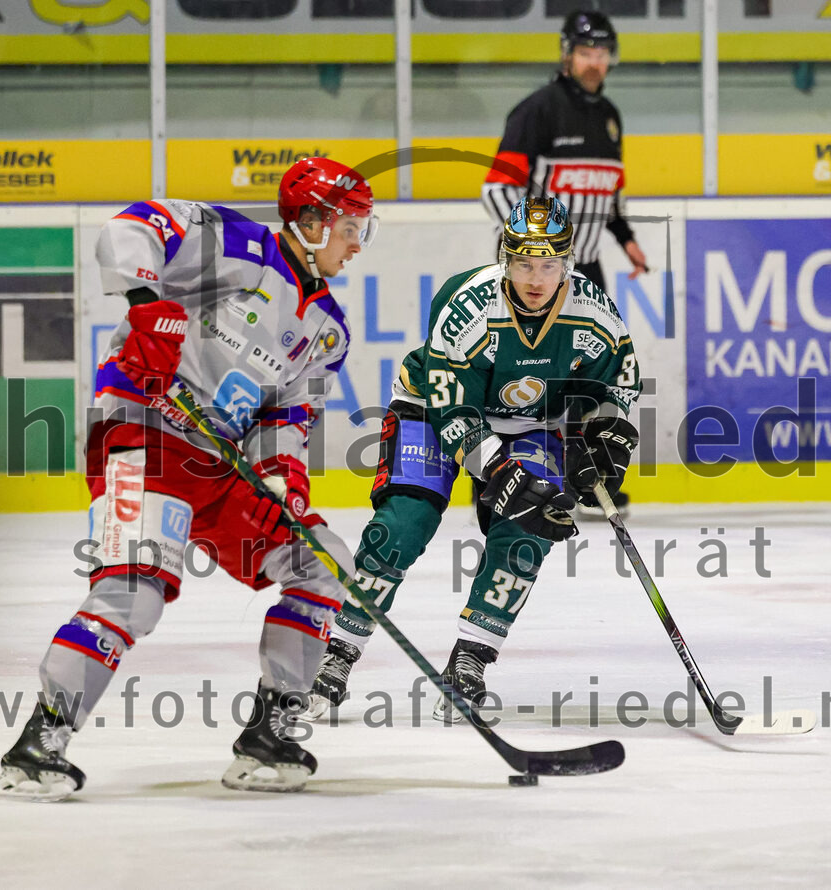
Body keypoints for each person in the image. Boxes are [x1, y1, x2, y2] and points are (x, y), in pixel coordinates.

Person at [0, 157, 377, 799]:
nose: (357, 243)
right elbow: (131, 227)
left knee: (322, 561)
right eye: (348, 226)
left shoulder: (328, 330)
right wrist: (146, 303)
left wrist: (285, 482)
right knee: (135, 589)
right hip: (147, 432)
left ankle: (270, 735)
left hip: (218, 466)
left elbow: (289, 415)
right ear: (309, 222)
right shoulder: (237, 246)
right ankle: (38, 743)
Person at [306, 196, 640, 723]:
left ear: (567, 263)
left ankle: (470, 661)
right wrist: (499, 471)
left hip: (530, 422)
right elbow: (452, 407)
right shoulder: (468, 303)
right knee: (401, 526)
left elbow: (618, 380)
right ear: (506, 258)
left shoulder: (594, 311)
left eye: (549, 264)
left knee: (531, 526)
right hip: (430, 412)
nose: (536, 277)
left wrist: (607, 439)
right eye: (525, 263)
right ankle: (335, 656)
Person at [481, 9, 646, 514]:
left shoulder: (609, 114)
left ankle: (589, 478)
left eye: (602, 53)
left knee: (592, 374)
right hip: (536, 270)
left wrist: (626, 237)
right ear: (566, 54)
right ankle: (495, 480)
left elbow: (606, 189)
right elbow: (496, 189)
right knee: (515, 373)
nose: (595, 62)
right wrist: (531, 252)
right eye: (585, 52)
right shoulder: (538, 110)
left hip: (588, 266)